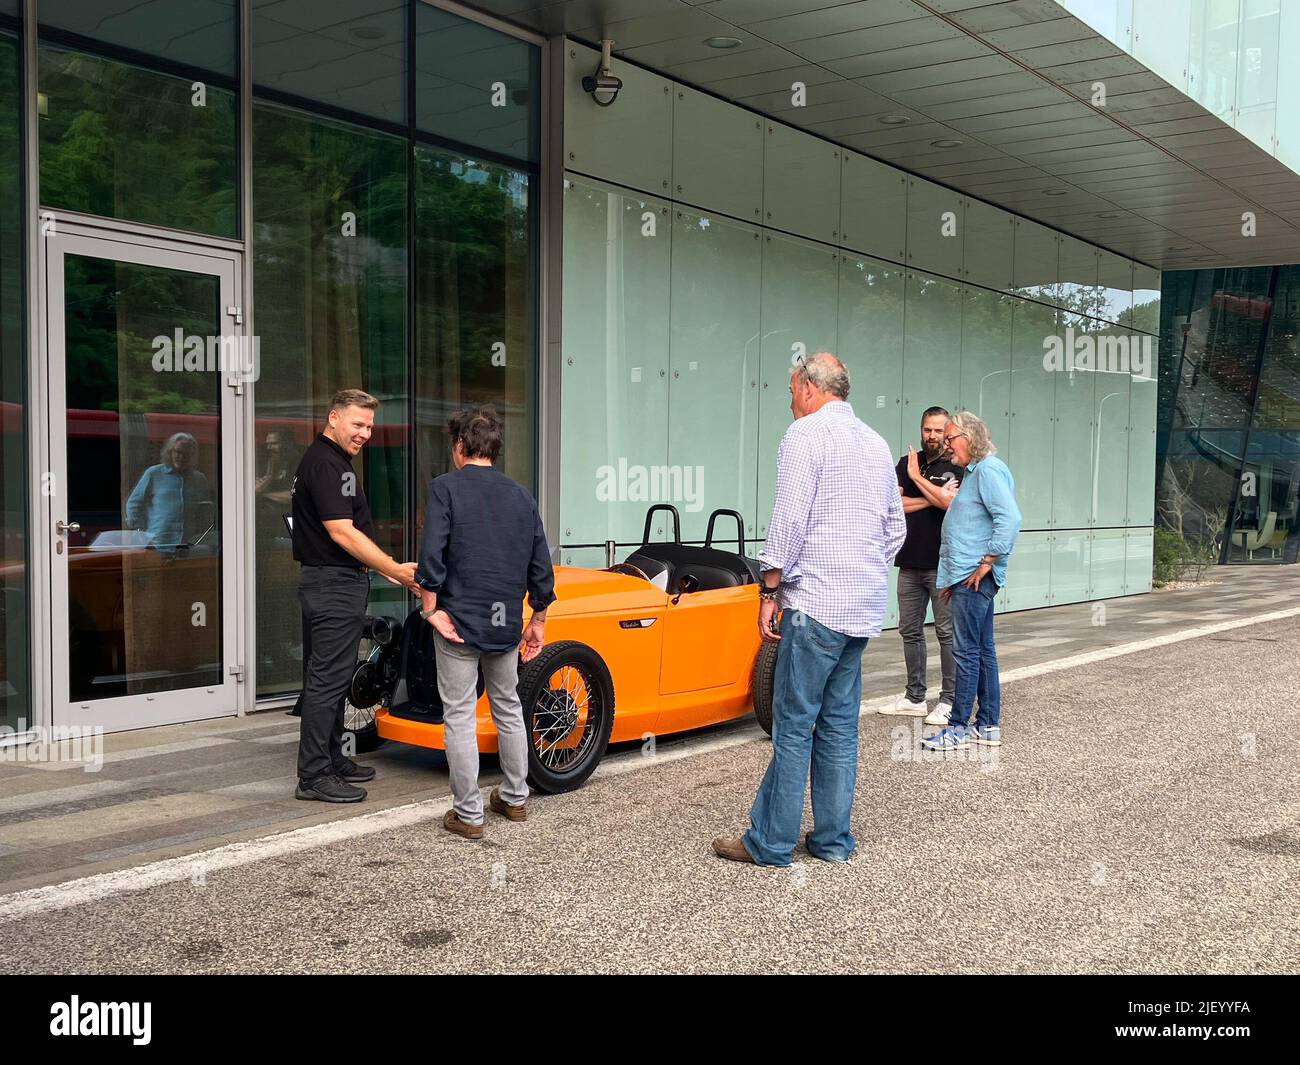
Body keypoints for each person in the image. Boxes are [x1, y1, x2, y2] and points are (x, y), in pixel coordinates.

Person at [713, 353, 905, 866]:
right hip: (861, 608)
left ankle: (770, 843)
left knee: (794, 725)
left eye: (791, 388)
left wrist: (769, 590)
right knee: (840, 726)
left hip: (816, 603)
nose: (790, 398)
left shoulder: (805, 436)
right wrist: (863, 567)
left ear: (807, 388)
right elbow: (895, 529)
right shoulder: (875, 441)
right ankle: (832, 841)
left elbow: (789, 521)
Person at [415, 406, 556, 840]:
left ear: (460, 446)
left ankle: (469, 814)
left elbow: (432, 552)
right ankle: (515, 799)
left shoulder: (445, 489)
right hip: (505, 622)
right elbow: (540, 562)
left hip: (458, 619)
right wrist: (538, 618)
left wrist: (430, 608)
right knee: (508, 705)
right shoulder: (521, 495)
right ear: (494, 448)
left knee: (458, 714)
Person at [291, 389, 417, 802]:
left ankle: (331, 757)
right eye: (357, 424)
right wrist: (394, 569)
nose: (365, 433)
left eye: (369, 427)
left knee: (331, 676)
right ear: (333, 418)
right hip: (332, 585)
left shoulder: (330, 461)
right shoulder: (327, 464)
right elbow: (341, 531)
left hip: (331, 583)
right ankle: (312, 776)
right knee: (327, 683)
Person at [921, 411, 1021, 752]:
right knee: (982, 650)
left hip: (973, 577)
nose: (947, 447)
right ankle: (988, 725)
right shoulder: (977, 472)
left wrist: (987, 561)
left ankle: (959, 727)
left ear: (970, 437)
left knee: (966, 652)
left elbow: (1009, 518)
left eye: (951, 439)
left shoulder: (988, 470)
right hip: (965, 575)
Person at [880, 407, 963, 725]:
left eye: (939, 430)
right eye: (927, 430)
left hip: (942, 564)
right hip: (909, 561)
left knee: (946, 633)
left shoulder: (955, 464)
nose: (932, 436)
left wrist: (918, 481)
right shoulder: (905, 462)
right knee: (909, 631)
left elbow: (952, 503)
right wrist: (934, 496)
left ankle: (949, 701)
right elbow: (893, 504)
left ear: (948, 432)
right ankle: (915, 697)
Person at [124, 432, 212, 550]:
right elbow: (133, 504)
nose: (181, 457)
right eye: (178, 452)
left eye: (187, 454)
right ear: (170, 451)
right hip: (157, 545)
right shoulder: (153, 473)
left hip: (188, 546)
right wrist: (140, 533)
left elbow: (205, 511)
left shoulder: (199, 479)